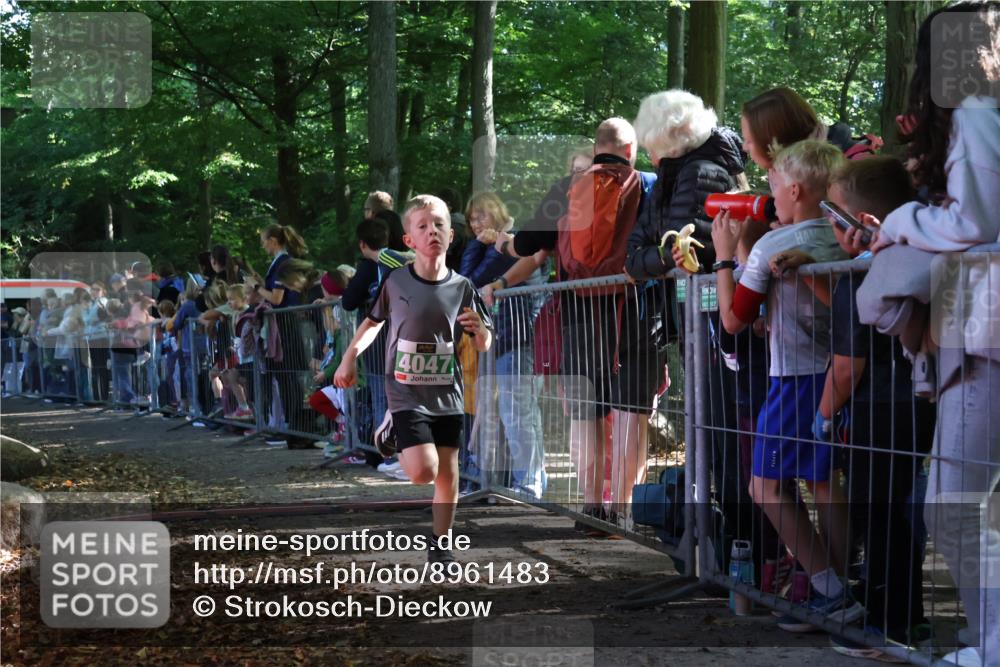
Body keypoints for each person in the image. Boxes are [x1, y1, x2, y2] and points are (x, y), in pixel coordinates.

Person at [862, 6, 1000, 664]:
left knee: (954, 507)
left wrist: (900, 223)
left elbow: (974, 222)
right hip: (974, 330)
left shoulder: (976, 112)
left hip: (984, 337)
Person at [711, 139, 858, 628]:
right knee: (823, 481)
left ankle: (831, 592)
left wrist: (724, 256)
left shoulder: (773, 245)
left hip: (792, 381)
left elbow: (733, 319)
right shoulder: (842, 236)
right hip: (837, 375)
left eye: (773, 184)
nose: (768, 194)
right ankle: (839, 587)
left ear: (794, 190)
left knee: (765, 485)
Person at [793, 157, 935, 657]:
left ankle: (886, 626)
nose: (829, 225)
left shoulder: (861, 273)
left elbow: (847, 365)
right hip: (913, 403)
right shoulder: (910, 257)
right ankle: (907, 619)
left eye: (835, 215)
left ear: (864, 222)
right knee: (894, 513)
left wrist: (823, 415)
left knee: (878, 515)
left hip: (880, 408)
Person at [335, 194, 494, 563]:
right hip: (404, 389)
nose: (432, 231)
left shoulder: (463, 287)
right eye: (423, 226)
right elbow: (372, 324)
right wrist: (348, 358)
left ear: (451, 235)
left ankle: (441, 545)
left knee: (448, 473)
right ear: (409, 240)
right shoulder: (395, 281)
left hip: (447, 391)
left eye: (439, 224)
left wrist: (481, 332)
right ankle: (390, 427)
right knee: (424, 472)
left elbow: (485, 342)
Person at [460, 192, 547, 499]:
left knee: (518, 414)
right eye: (471, 219)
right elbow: (468, 280)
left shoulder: (516, 243)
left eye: (481, 216)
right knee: (516, 414)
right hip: (501, 340)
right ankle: (528, 481)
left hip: (520, 338)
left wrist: (494, 245)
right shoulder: (489, 247)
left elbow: (477, 279)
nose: (476, 223)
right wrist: (478, 244)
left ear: (497, 213)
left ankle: (530, 485)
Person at [245, 224, 313, 447]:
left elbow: (276, 298)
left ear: (273, 241)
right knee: (284, 377)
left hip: (285, 325)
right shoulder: (280, 262)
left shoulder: (283, 263)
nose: (263, 246)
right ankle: (290, 426)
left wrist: (256, 286)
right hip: (282, 324)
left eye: (264, 241)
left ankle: (295, 427)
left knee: (287, 376)